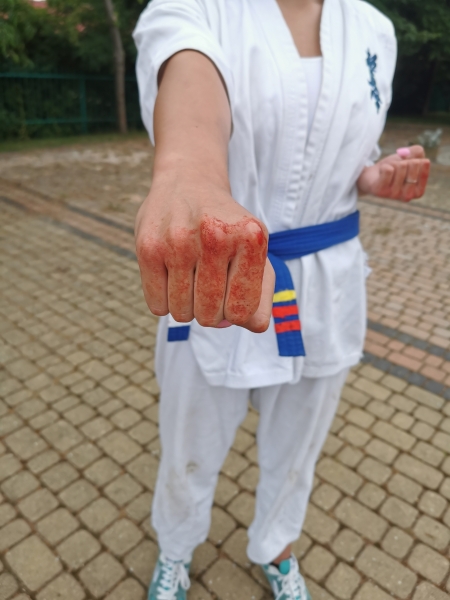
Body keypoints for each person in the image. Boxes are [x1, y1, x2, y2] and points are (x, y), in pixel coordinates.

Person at [133, 1, 430, 598]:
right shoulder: (195, 8)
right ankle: (176, 548)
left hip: (326, 284)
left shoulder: (374, 30)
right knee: (190, 442)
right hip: (220, 267)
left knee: (299, 443)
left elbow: (346, 153)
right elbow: (189, 78)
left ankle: (276, 545)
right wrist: (189, 174)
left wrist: (372, 177)